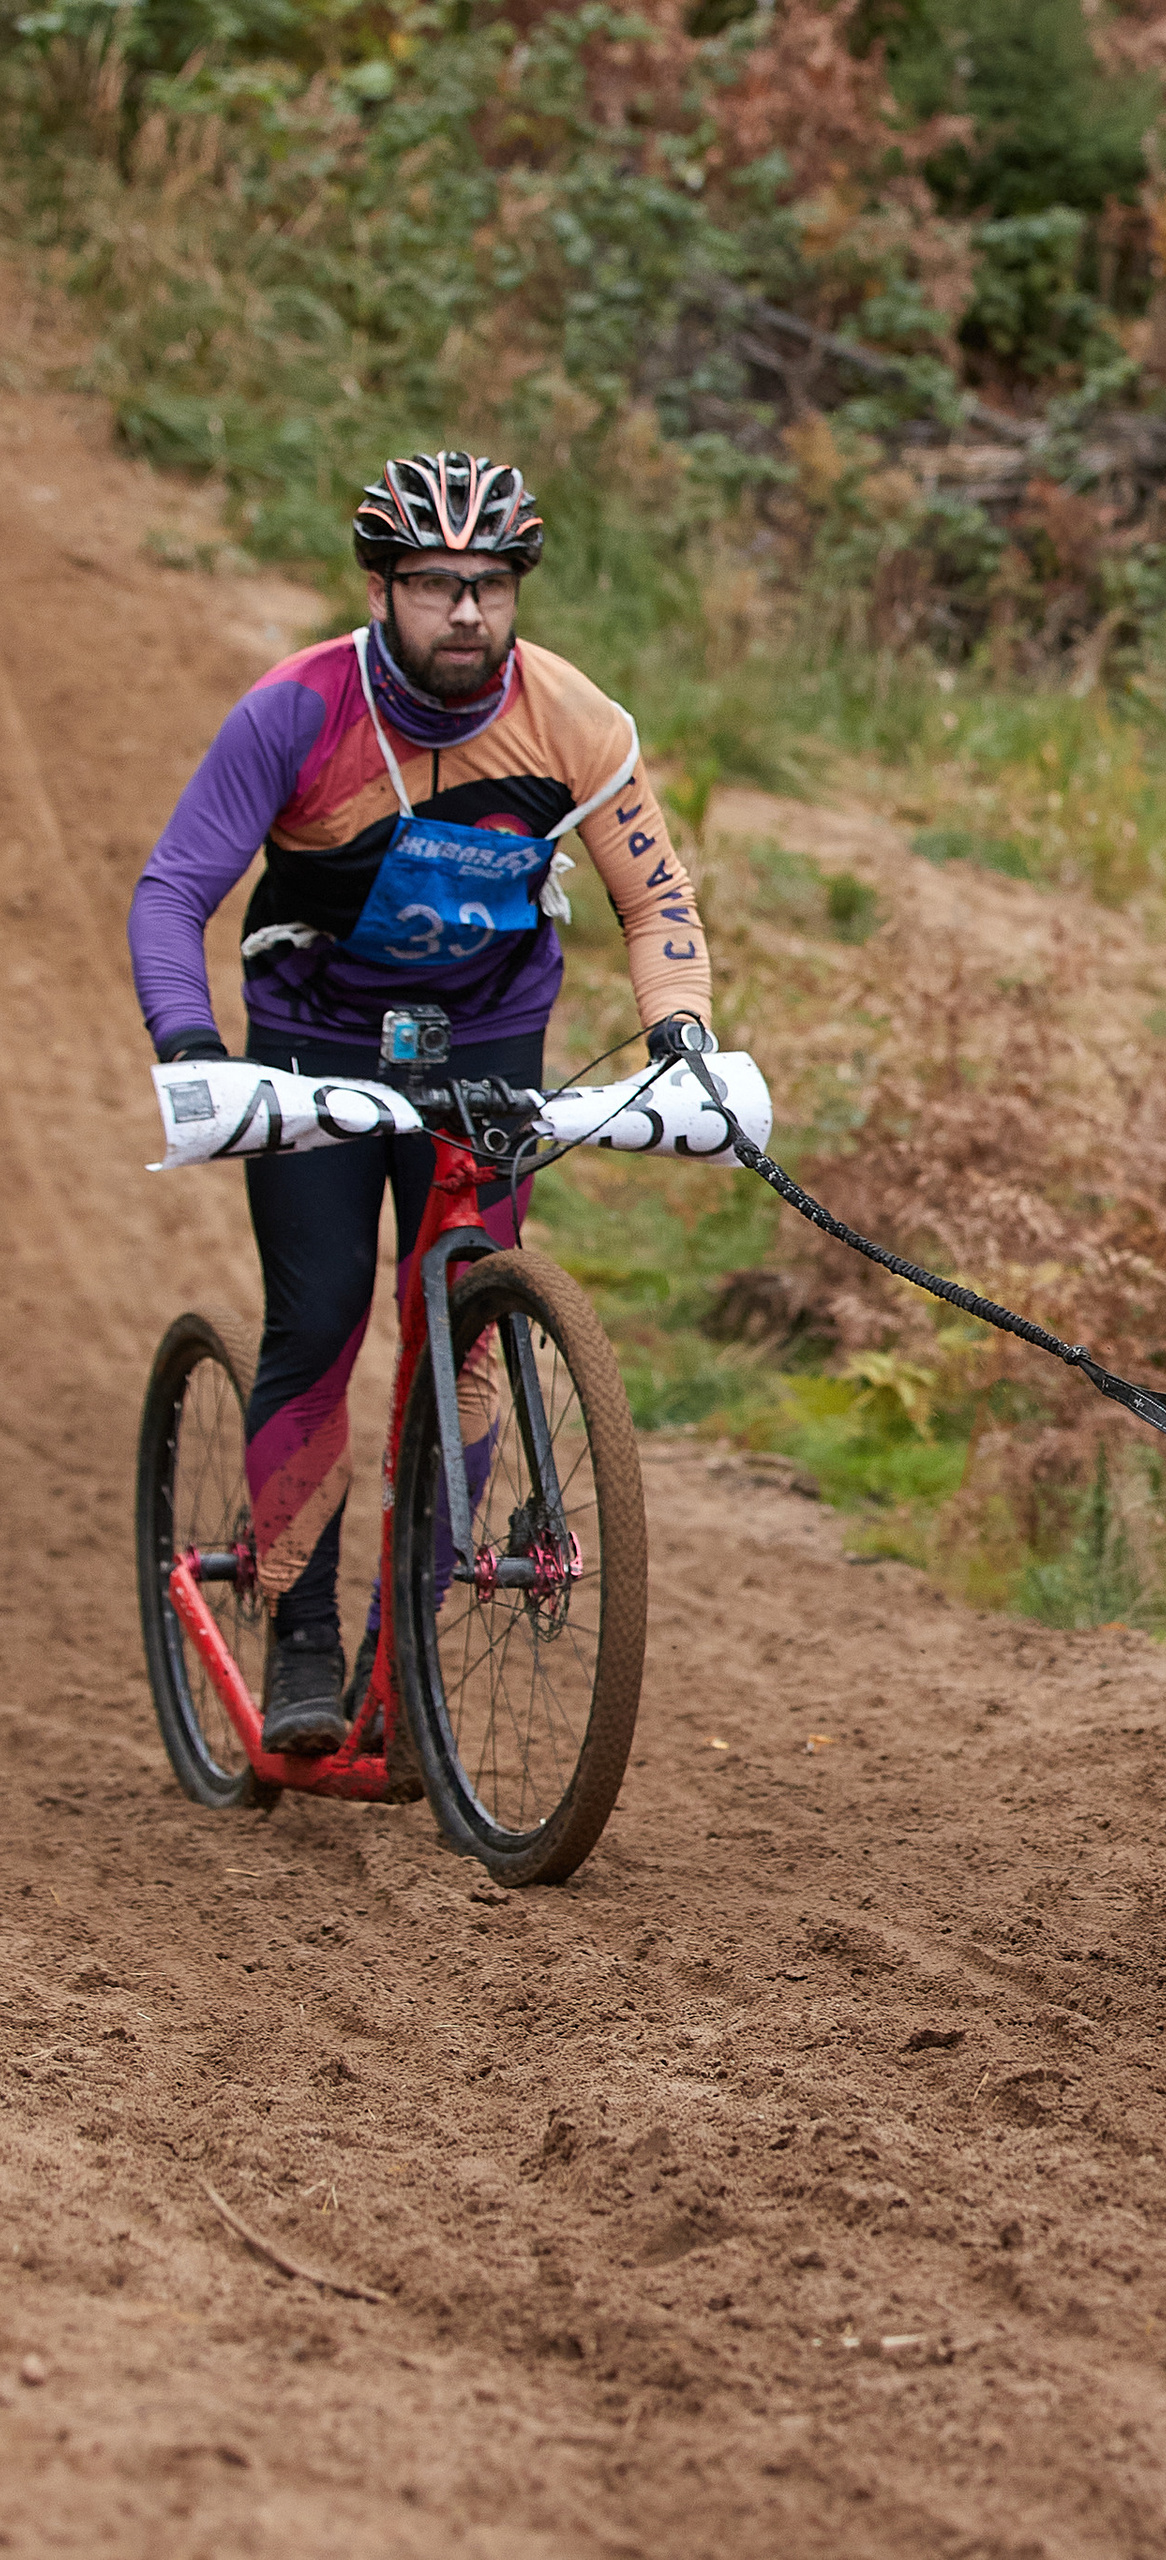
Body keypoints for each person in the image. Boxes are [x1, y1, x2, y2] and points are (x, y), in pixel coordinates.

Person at [128, 450, 714, 1755]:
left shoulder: (576, 722)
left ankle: (413, 1635)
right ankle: (302, 1633)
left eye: (491, 585)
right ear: (384, 588)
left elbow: (655, 898)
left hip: (489, 1042)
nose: (467, 611)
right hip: (314, 1043)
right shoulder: (295, 711)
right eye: (437, 584)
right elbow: (172, 893)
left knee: (461, 1325)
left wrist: (680, 1027)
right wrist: (190, 1042)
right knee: (326, 1309)